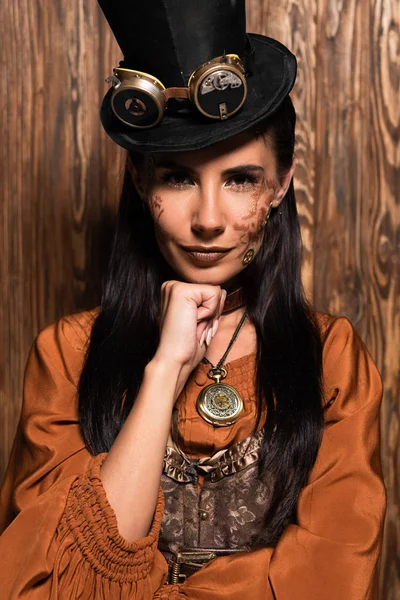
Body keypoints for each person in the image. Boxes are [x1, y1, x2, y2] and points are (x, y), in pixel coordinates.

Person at [0, 0, 386, 598]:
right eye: (179, 177)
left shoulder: (332, 360)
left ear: (282, 183)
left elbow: (331, 577)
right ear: (138, 178)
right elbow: (54, 581)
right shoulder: (68, 356)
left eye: (240, 179)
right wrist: (166, 368)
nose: (207, 219)